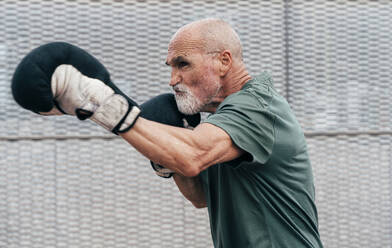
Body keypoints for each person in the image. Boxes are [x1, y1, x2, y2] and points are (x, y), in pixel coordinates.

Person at [11, 18, 323, 248]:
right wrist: (166, 159)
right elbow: (201, 197)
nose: (173, 79)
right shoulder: (219, 123)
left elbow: (192, 156)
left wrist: (102, 106)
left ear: (224, 61)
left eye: (183, 64)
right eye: (170, 67)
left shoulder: (257, 107)